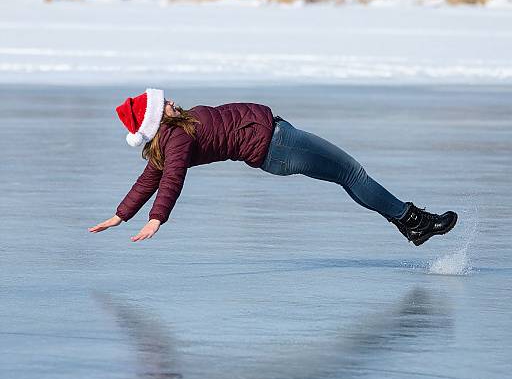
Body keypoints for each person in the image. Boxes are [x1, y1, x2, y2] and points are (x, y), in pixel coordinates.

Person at [88, 88, 457, 245]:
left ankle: (410, 222)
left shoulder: (173, 135)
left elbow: (148, 177)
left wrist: (121, 215)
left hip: (277, 143)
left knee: (349, 176)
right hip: (278, 146)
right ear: (157, 120)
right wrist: (156, 218)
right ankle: (412, 222)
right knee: (352, 173)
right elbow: (170, 178)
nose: (173, 102)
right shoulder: (178, 139)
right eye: (165, 104)